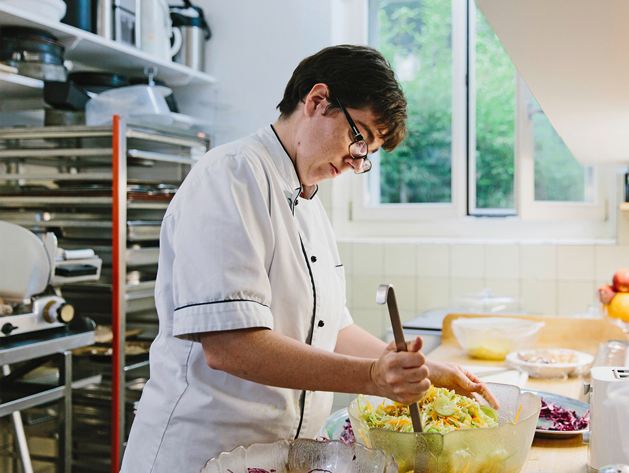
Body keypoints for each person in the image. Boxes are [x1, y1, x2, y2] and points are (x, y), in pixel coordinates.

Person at [121, 45, 495, 473]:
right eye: (360, 138)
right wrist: (374, 376)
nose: (357, 162)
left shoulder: (309, 204)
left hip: (280, 456)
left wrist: (422, 372)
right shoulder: (230, 176)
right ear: (318, 101)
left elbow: (331, 329)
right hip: (202, 453)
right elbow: (229, 346)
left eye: (368, 152)